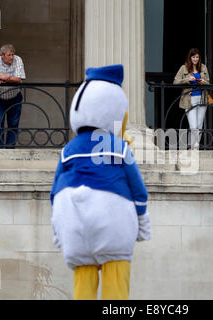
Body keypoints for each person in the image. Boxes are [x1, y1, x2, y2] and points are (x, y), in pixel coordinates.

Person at [50, 64, 151, 300]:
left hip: (74, 221)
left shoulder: (68, 149)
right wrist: (142, 222)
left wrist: (58, 229)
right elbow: (137, 188)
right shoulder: (118, 147)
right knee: (116, 284)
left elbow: (55, 192)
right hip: (112, 221)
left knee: (83, 285)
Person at [0, 44, 26, 148]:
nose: (12, 57)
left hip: (14, 96)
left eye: (13, 54)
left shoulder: (18, 59)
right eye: (9, 55)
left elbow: (19, 79)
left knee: (13, 124)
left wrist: (1, 79)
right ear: (2, 55)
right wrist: (2, 77)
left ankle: (10, 148)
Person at [174, 48, 210, 149]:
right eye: (193, 57)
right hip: (189, 99)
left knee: (199, 125)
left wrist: (203, 81)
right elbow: (175, 82)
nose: (195, 59)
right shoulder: (183, 68)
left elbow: (209, 82)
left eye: (197, 57)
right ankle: (194, 146)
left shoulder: (203, 67)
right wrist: (187, 79)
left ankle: (194, 146)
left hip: (202, 98)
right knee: (193, 125)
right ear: (190, 58)